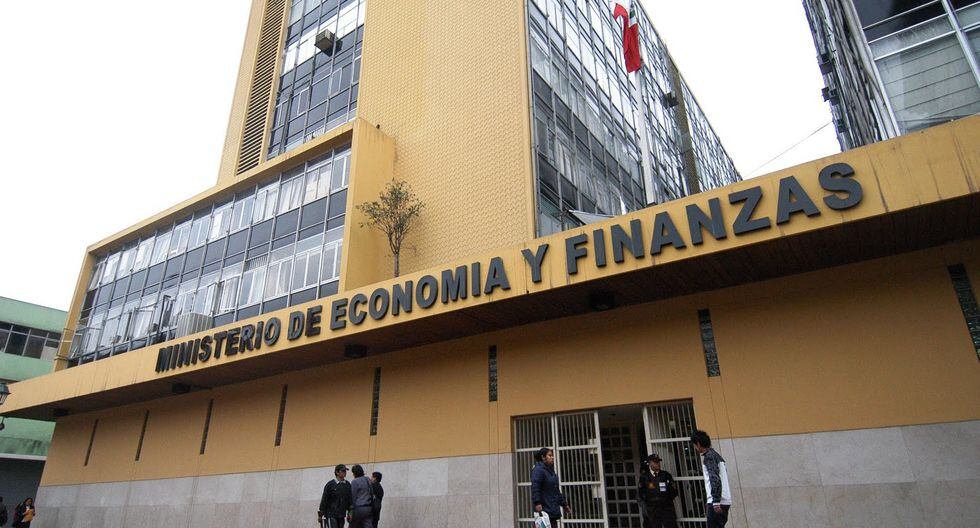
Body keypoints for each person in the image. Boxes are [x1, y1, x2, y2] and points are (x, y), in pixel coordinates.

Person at [691, 430, 731, 528]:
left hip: (717, 501)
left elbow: (714, 478)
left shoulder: (709, 457)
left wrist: (716, 501)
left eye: (695, 445)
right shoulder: (716, 455)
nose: (695, 448)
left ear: (698, 444)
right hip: (724, 500)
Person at [530, 447, 571, 528]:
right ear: (543, 457)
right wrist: (537, 503)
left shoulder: (550, 471)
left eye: (552, 455)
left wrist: (564, 504)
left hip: (552, 509)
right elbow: (535, 487)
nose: (552, 457)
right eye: (550, 455)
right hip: (544, 510)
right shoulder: (538, 470)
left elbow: (556, 491)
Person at [638, 453, 678, 528]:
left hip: (666, 509)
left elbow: (674, 491)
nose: (658, 464)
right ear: (650, 463)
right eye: (655, 462)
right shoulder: (644, 477)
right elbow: (641, 493)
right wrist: (648, 505)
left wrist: (665, 500)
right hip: (652, 510)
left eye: (658, 462)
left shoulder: (666, 475)